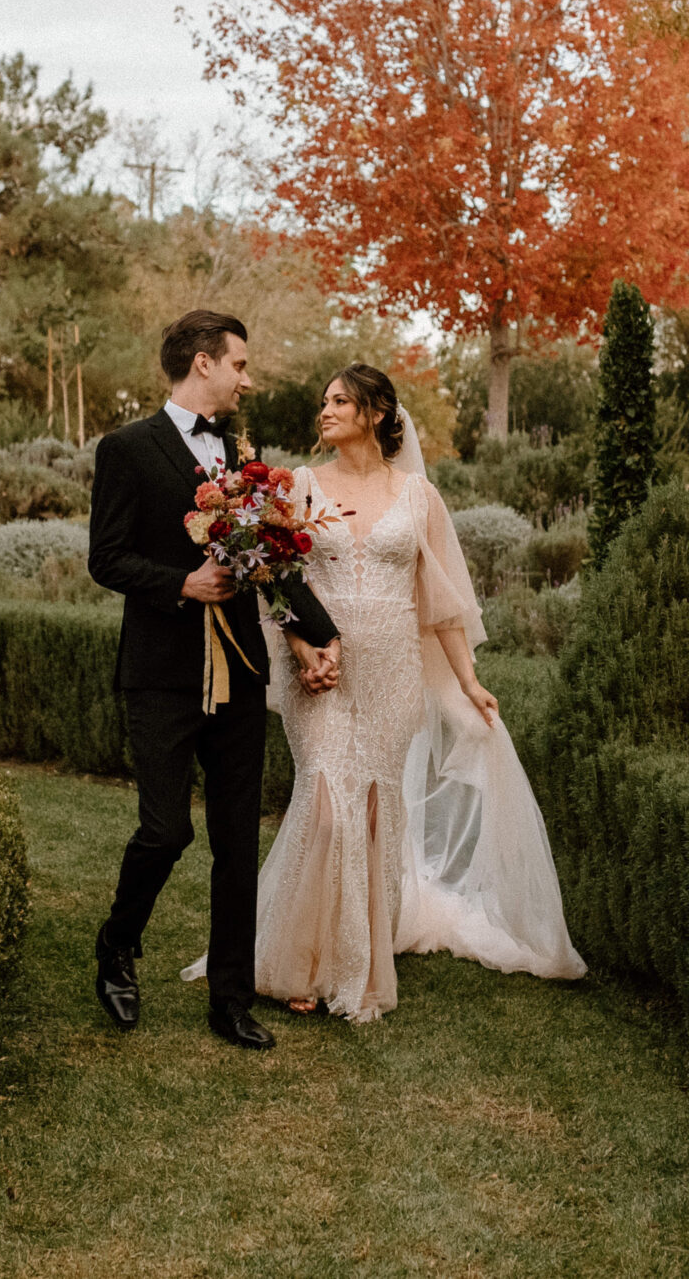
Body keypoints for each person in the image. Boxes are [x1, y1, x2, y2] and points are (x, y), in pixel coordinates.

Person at [233, 362, 585, 1023]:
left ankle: (355, 964)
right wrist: (303, 648)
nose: (325, 410)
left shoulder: (419, 497)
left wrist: (470, 681)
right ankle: (299, 963)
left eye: (339, 400)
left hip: (393, 670)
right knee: (327, 803)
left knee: (370, 814)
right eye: (323, 399)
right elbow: (273, 579)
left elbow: (442, 604)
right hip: (324, 669)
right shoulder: (300, 486)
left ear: (374, 413)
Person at [86, 309, 342, 1051]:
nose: (247, 378)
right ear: (203, 362)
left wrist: (322, 634)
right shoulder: (127, 448)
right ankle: (117, 945)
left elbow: (271, 560)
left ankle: (231, 998)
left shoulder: (241, 453)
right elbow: (105, 558)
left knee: (237, 841)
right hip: (162, 674)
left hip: (241, 670)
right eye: (239, 364)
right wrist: (181, 583)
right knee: (166, 829)